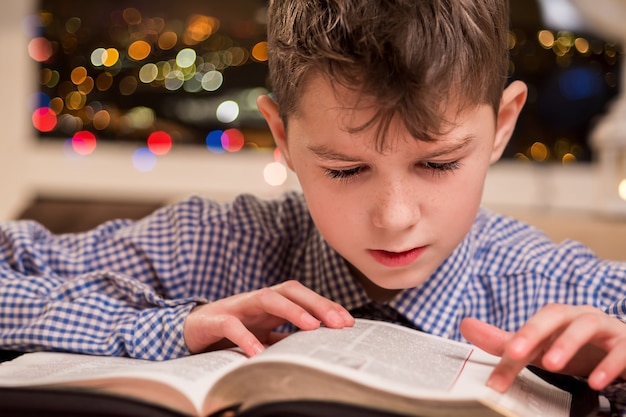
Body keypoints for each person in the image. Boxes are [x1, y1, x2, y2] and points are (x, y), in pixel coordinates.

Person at [1, 0, 626, 411]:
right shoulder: (212, 244)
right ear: (282, 137)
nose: (395, 216)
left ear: (502, 124)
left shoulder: (560, 290)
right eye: (346, 168)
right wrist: (168, 326)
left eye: (437, 163)